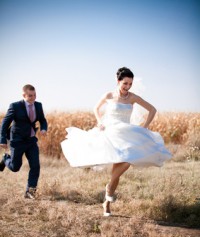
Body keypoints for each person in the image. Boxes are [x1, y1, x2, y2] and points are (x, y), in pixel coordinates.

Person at [61, 67, 172, 216]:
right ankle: (107, 203)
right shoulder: (108, 95)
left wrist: (145, 127)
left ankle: (108, 192)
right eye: (125, 83)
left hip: (126, 133)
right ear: (118, 80)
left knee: (126, 162)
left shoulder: (133, 97)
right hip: (109, 132)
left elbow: (152, 109)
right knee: (119, 168)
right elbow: (96, 108)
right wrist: (100, 121)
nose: (127, 87)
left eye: (130, 84)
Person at [0, 84, 48, 199]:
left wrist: (43, 128)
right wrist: (2, 139)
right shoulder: (15, 106)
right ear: (24, 95)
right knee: (15, 167)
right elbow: (5, 123)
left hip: (31, 140)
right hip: (17, 140)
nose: (33, 98)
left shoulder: (38, 105)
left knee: (35, 166)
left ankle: (30, 192)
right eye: (30, 96)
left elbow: (42, 120)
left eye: (35, 95)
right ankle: (5, 158)